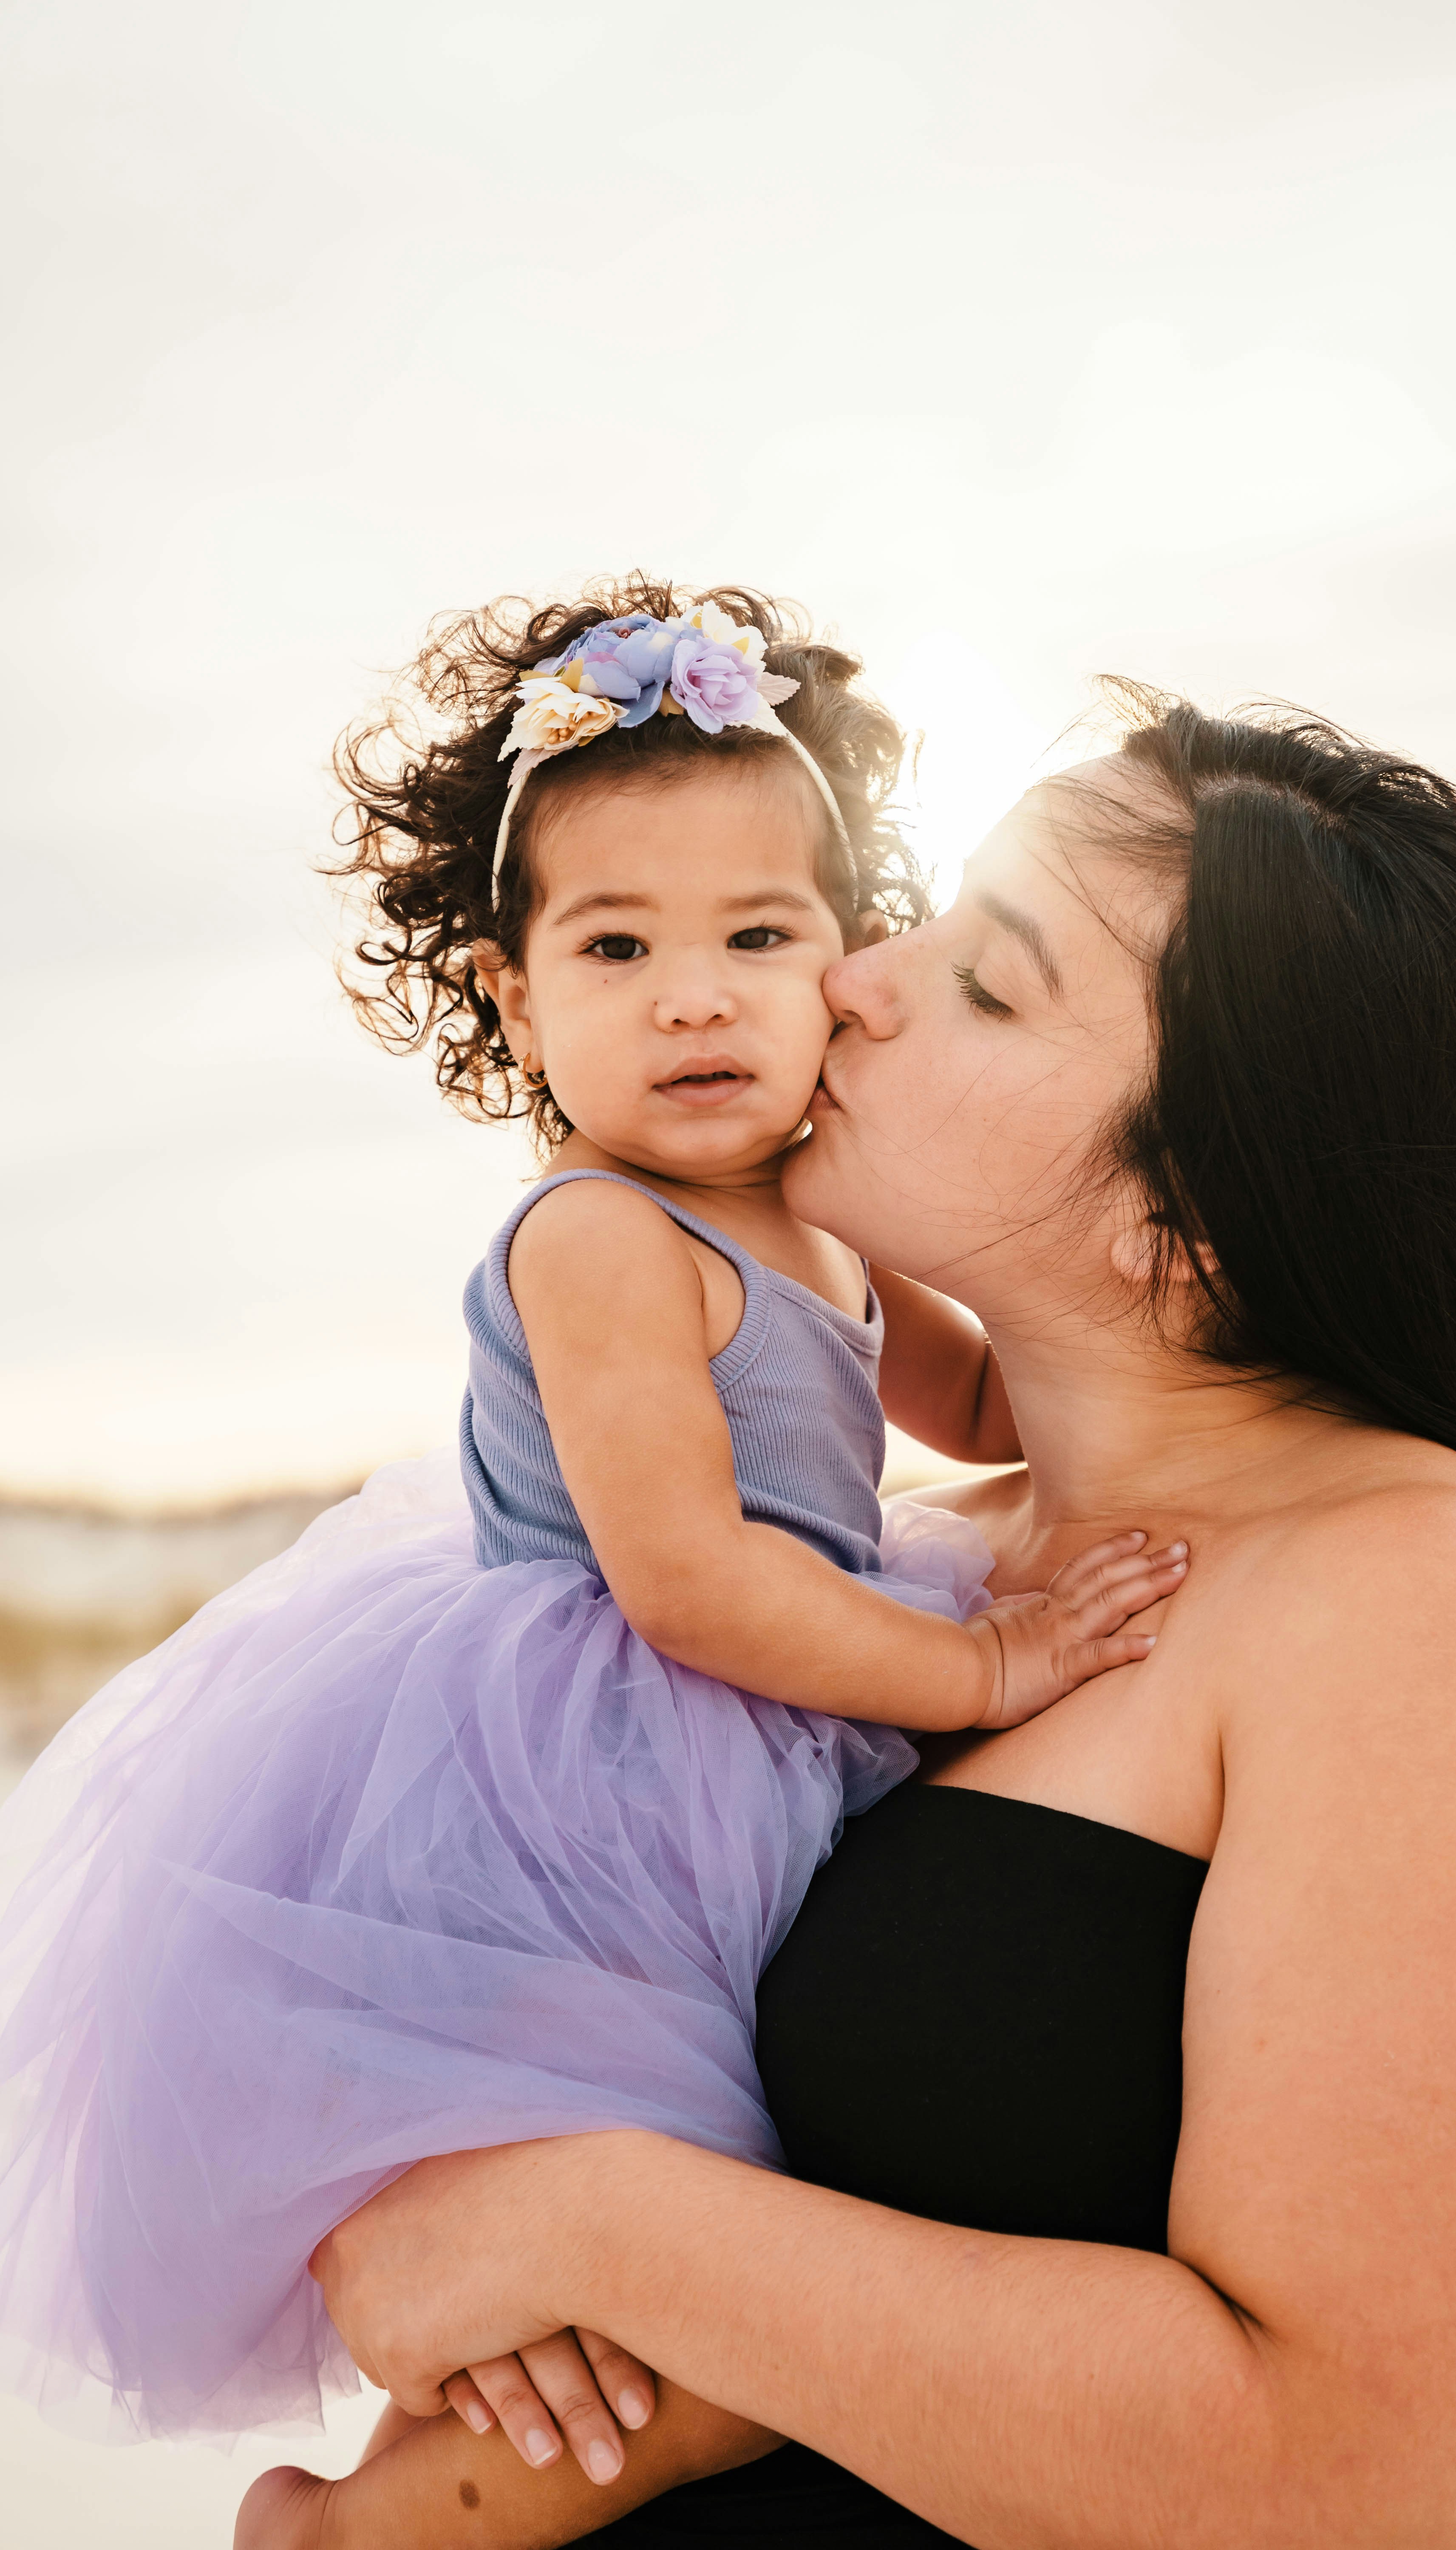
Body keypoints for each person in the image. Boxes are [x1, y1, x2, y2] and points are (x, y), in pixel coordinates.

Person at [275, 691, 1456, 2550]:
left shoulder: (1418, 1608)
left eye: (988, 984)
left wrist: (584, 2227)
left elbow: (1341, 2488)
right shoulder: (895, 1563)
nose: (848, 979)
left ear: (1187, 1216)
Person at [0, 584, 1178, 2476]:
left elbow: (968, 1400)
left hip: (764, 1695)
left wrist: (1149, 1345)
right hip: (601, 1762)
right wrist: (988, 1661)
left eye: (755, 936)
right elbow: (690, 1581)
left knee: (743, 2224)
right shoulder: (600, 1237)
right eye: (616, 945)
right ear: (511, 995)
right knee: (622, 2206)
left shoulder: (817, 1200)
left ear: (841, 967)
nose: (694, 994)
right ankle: (375, 2511)